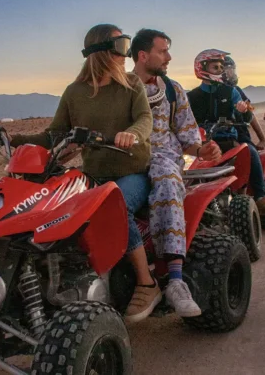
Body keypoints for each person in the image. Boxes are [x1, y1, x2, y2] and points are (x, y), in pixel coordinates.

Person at [9, 24, 160, 323]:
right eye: (121, 45)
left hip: (132, 171)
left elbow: (145, 118)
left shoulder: (131, 84)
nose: (125, 53)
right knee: (53, 213)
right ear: (102, 51)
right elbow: (55, 134)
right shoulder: (74, 92)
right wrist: (15, 139)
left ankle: (147, 283)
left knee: (118, 207)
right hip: (93, 174)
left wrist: (132, 134)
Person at [130, 29, 221, 317]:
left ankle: (174, 279)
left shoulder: (172, 90)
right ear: (143, 56)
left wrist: (201, 150)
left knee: (167, 183)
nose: (168, 57)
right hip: (127, 162)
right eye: (163, 51)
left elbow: (187, 135)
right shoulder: (120, 88)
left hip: (165, 160)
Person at [187, 49, 265, 216]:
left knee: (250, 151)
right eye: (215, 67)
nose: (219, 71)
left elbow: (247, 115)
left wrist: (243, 110)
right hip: (200, 144)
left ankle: (261, 198)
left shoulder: (231, 91)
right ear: (202, 68)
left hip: (228, 141)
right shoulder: (191, 96)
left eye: (220, 67)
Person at [224, 55, 265, 149]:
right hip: (212, 138)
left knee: (251, 155)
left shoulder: (235, 90)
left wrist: (262, 139)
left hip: (239, 137)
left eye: (232, 69)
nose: (230, 72)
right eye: (226, 69)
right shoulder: (204, 94)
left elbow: (250, 114)